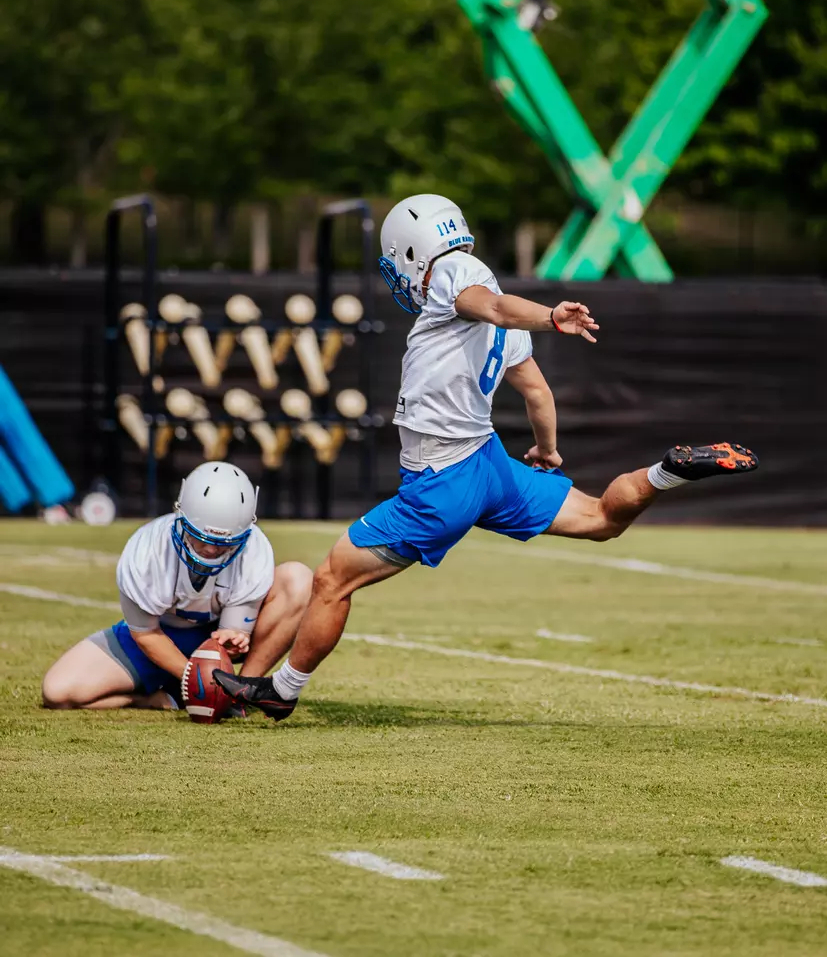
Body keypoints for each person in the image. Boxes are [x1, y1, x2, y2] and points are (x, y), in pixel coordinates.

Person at [215, 194, 759, 720]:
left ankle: (281, 692)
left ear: (412, 254)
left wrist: (551, 316)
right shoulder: (485, 296)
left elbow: (493, 306)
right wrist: (546, 452)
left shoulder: (454, 276)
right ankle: (666, 472)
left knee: (333, 580)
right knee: (600, 519)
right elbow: (538, 394)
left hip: (443, 478)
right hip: (489, 464)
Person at [42, 461, 311, 711]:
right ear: (180, 516)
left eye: (224, 543)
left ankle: (240, 693)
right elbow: (145, 633)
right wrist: (196, 680)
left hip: (210, 634)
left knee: (298, 580)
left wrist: (234, 639)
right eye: (200, 538)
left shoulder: (254, 548)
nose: (210, 550)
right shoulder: (147, 550)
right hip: (159, 636)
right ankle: (154, 699)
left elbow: (231, 629)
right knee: (57, 692)